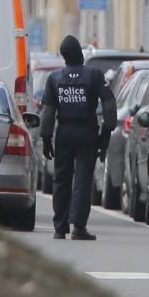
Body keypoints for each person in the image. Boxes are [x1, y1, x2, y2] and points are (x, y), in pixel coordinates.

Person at [39, 35, 116, 240]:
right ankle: (79, 227)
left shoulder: (54, 78)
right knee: (82, 180)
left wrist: (46, 138)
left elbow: (48, 112)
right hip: (86, 133)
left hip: (64, 132)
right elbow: (109, 105)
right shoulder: (94, 75)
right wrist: (105, 135)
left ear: (64, 57)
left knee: (61, 180)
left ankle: (59, 227)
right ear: (79, 54)